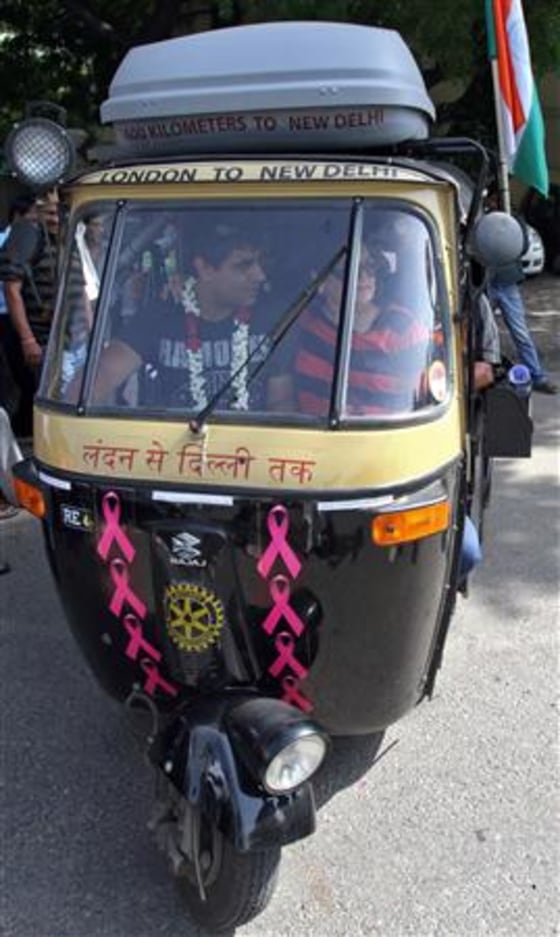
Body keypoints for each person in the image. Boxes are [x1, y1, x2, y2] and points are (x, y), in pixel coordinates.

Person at [84, 222, 291, 411]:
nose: (260, 276)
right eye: (244, 265)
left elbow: (280, 404)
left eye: (259, 263)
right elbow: (92, 384)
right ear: (205, 268)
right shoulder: (162, 316)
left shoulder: (272, 319)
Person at [293, 241, 430, 416]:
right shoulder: (304, 324)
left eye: (369, 266)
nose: (364, 276)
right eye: (350, 269)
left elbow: (424, 403)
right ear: (320, 279)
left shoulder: (405, 329)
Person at [484, 190, 557, 395]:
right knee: (480, 331)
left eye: (495, 198)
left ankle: (537, 376)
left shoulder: (515, 219)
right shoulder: (481, 217)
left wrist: (506, 232)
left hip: (506, 283)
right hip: (485, 283)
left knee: (520, 333)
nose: (492, 201)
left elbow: (522, 245)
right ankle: (483, 373)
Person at [0, 189, 61, 433]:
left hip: (63, 339)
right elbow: (11, 288)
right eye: (48, 211)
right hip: (38, 335)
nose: (55, 218)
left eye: (58, 212)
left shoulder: (62, 240)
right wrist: (28, 339)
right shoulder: (27, 237)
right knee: (39, 397)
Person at [0, 193, 39, 432]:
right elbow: (11, 286)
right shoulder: (9, 241)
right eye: (32, 217)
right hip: (7, 315)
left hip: (14, 314)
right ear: (18, 217)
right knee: (19, 373)